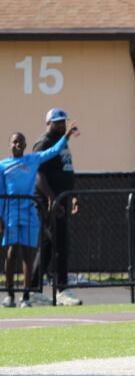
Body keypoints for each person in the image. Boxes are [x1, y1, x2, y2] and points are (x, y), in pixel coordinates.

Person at [3, 124, 79, 307]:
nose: (18, 145)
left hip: (29, 211)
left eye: (21, 142)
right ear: (9, 145)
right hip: (11, 214)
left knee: (28, 253)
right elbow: (1, 193)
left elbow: (53, 151)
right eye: (14, 142)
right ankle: (10, 294)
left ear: (26, 144)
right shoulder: (2, 166)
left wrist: (66, 136)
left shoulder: (32, 159)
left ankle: (27, 296)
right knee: (11, 252)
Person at [32, 108, 81, 306]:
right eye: (57, 122)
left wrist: (74, 195)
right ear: (48, 123)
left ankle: (33, 289)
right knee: (60, 244)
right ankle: (61, 289)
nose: (61, 125)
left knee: (47, 247)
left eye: (63, 122)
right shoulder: (44, 142)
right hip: (50, 202)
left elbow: (67, 170)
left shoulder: (62, 143)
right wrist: (52, 198)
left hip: (62, 198)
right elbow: (38, 174)